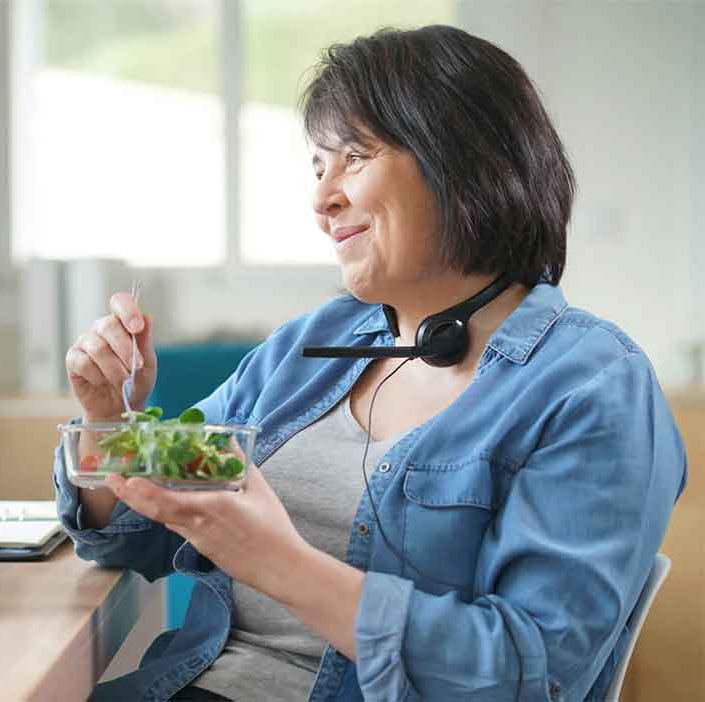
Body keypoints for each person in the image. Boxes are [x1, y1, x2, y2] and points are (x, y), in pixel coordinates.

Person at [53, 24, 686, 702]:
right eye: (319, 166)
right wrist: (109, 419)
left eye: (353, 156)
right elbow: (131, 539)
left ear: (464, 160)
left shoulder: (591, 385)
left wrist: (279, 562)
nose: (322, 199)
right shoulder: (311, 346)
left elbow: (528, 675)